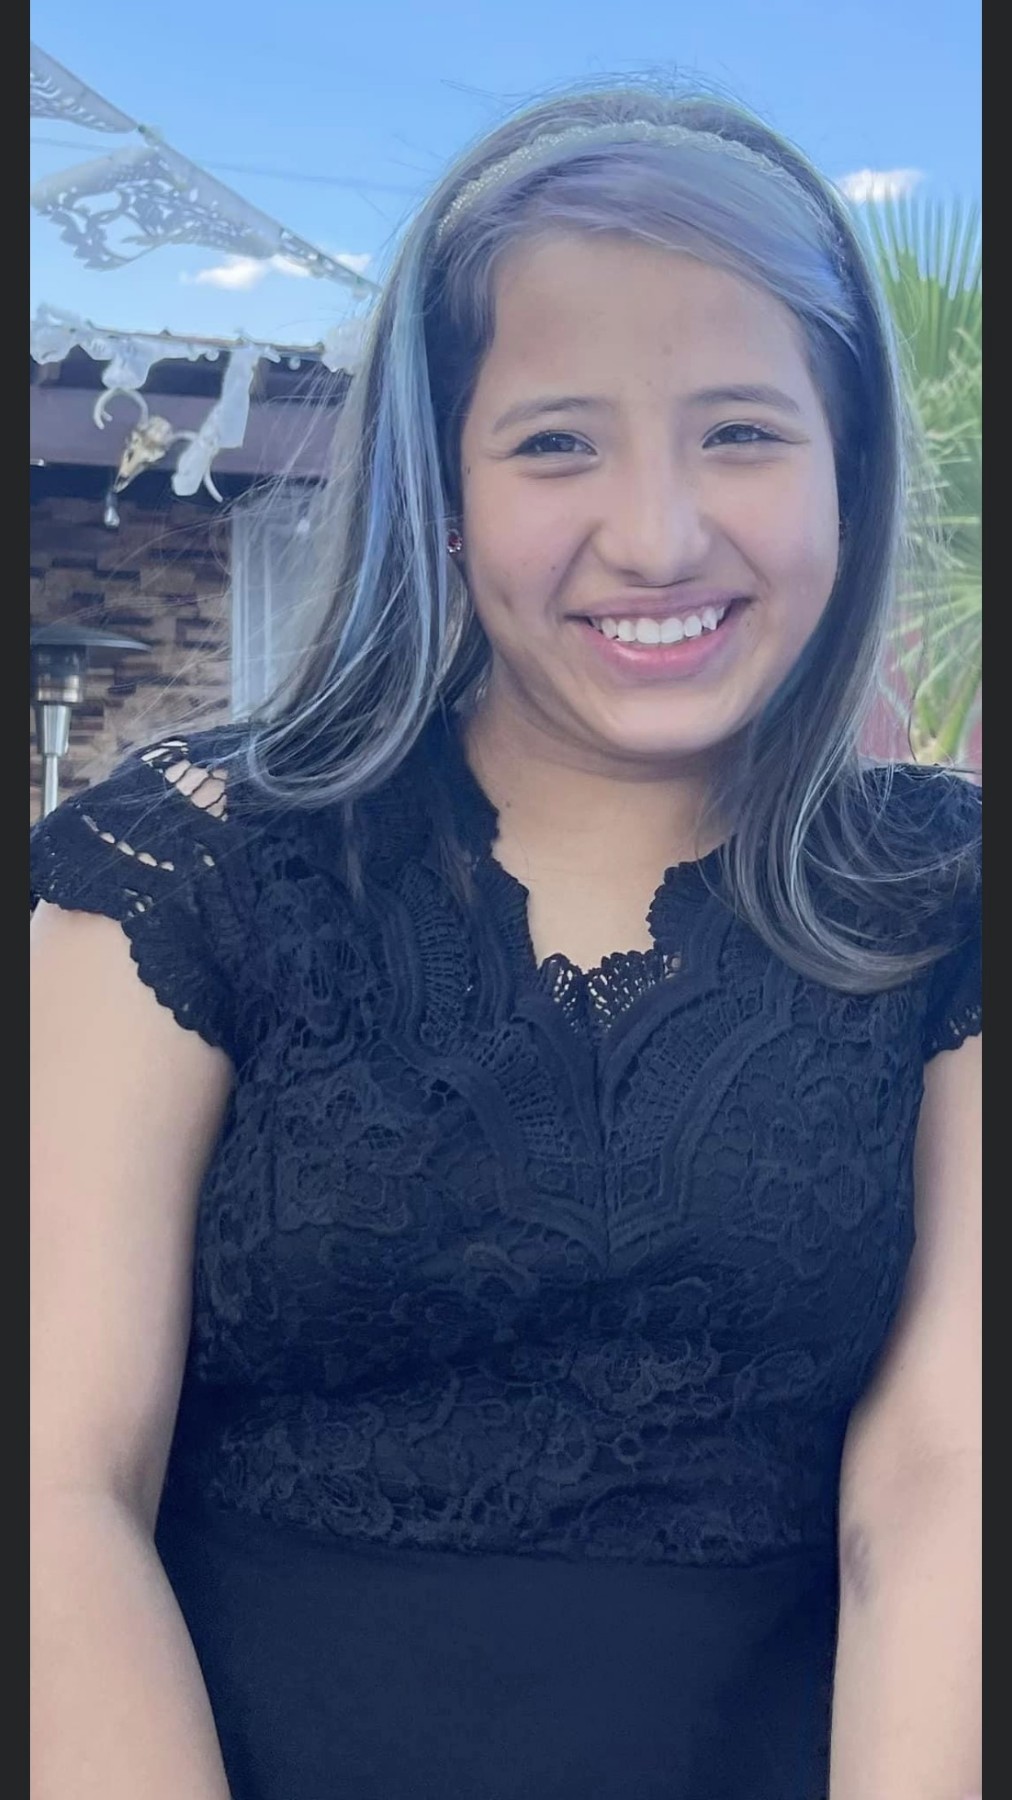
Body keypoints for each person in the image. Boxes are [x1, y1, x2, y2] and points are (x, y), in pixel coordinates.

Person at [30, 83, 981, 1800]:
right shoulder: (195, 861)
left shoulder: (945, 896)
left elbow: (941, 1492)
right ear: (445, 486)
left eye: (742, 432)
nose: (659, 535)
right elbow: (53, 1481)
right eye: (557, 443)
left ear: (847, 465)